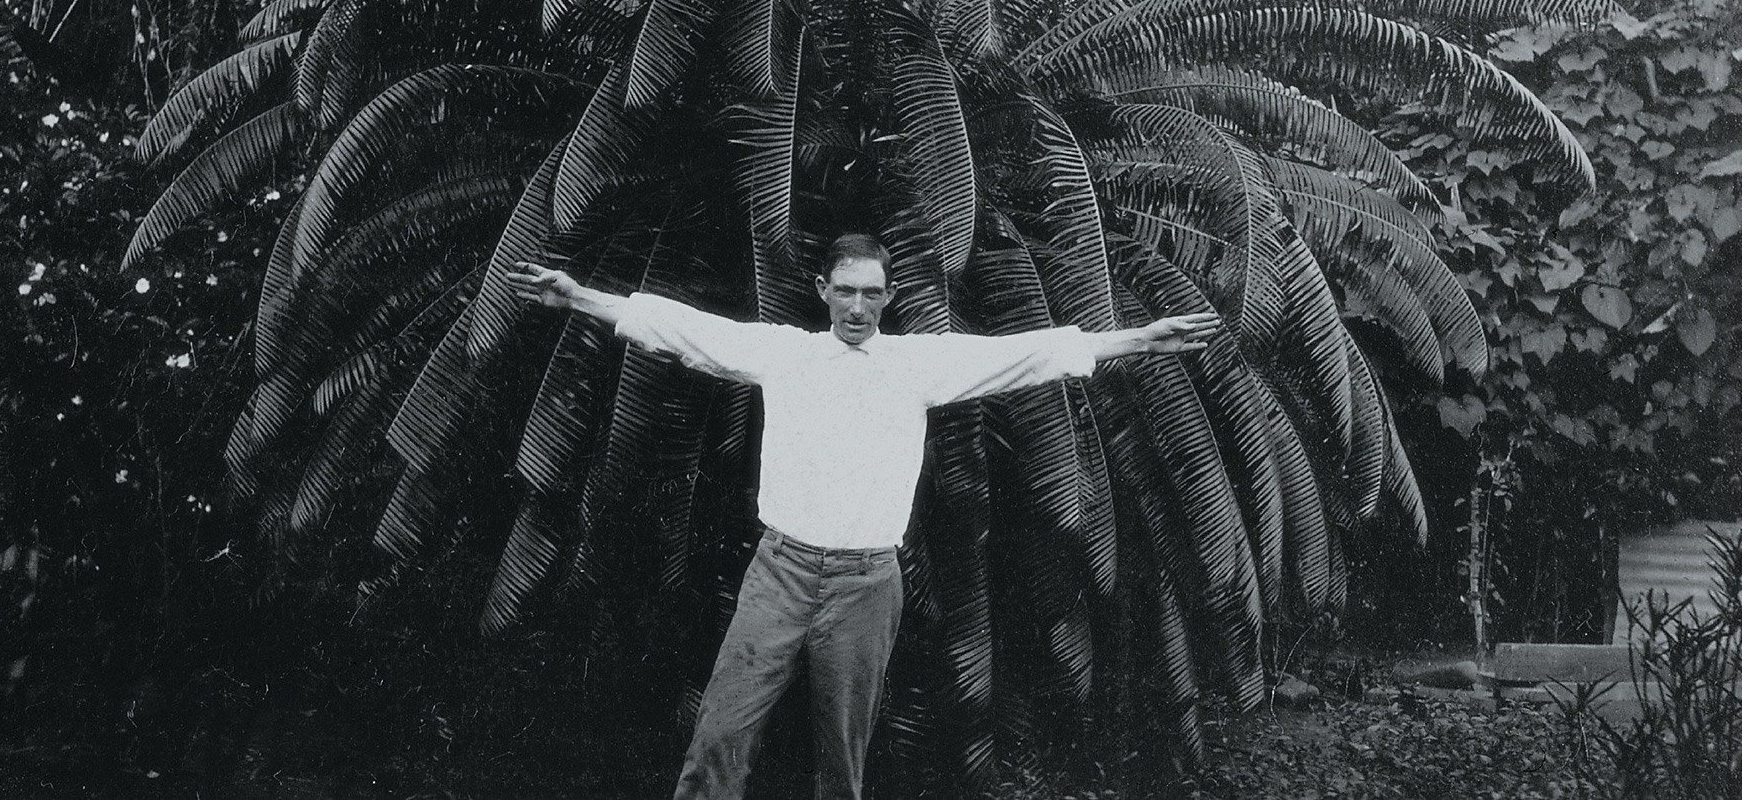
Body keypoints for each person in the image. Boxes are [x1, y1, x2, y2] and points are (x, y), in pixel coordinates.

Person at [506, 234, 1219, 800]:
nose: (856, 308)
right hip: (777, 577)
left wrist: (1139, 339)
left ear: (889, 297)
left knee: (841, 763)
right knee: (718, 741)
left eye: (870, 295)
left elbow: (1024, 356)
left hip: (866, 586)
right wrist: (577, 298)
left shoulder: (916, 365)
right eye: (843, 291)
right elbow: (681, 330)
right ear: (822, 291)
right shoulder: (784, 354)